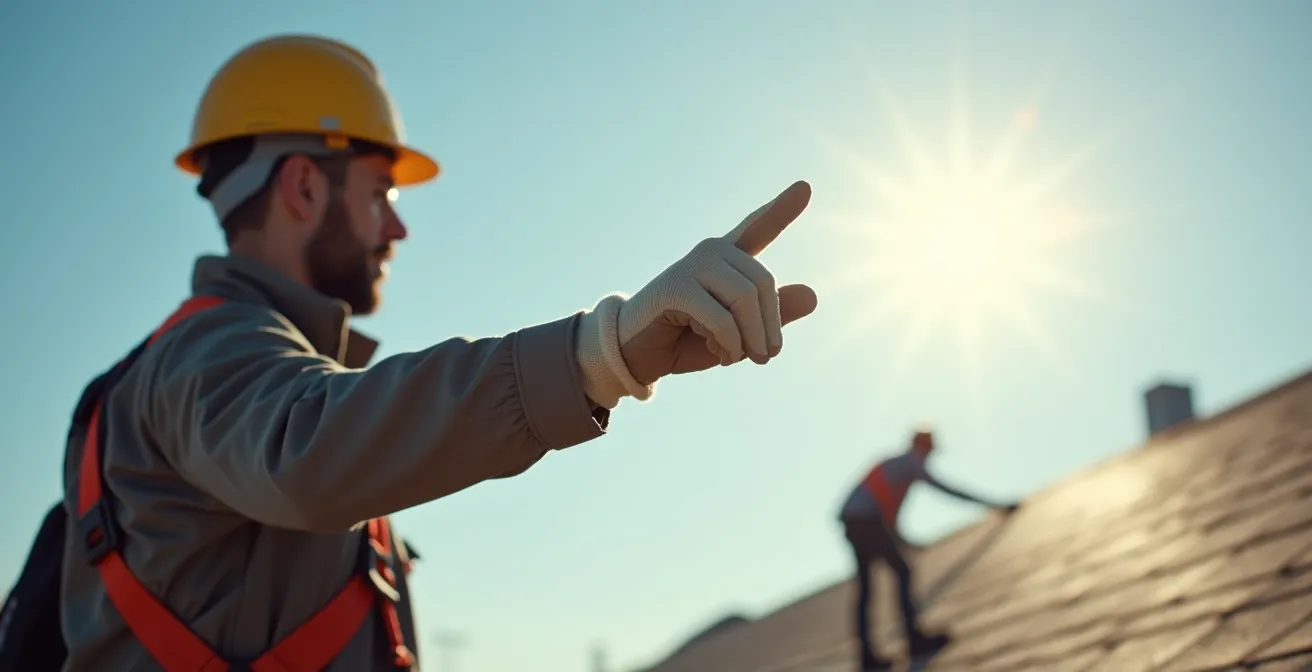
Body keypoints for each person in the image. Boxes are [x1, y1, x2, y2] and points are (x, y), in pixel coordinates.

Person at [58, 34, 818, 671]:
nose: (398, 229)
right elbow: (305, 449)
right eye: (382, 193)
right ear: (303, 188)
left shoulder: (247, 364)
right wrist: (601, 352)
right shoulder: (201, 352)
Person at [837, 427, 1019, 670]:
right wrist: (994, 505)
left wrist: (906, 542)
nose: (930, 456)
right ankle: (914, 640)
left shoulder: (896, 465)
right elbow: (947, 490)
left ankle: (867, 657)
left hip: (852, 521)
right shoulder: (911, 463)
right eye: (930, 450)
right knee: (902, 572)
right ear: (924, 446)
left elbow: (886, 513)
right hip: (865, 522)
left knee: (868, 588)